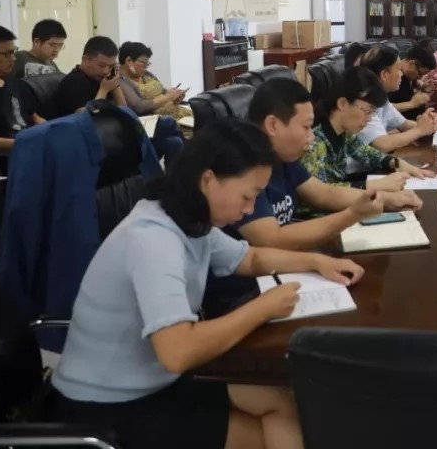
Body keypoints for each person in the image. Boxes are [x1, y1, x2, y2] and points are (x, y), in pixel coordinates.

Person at [50, 118, 365, 449]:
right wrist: (263, 308)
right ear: (208, 179)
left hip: (157, 378)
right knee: (273, 432)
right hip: (109, 405)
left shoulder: (189, 220)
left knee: (283, 401)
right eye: (247, 196)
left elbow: (250, 258)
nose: (248, 210)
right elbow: (178, 351)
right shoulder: (154, 240)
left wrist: (317, 261)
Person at [227, 78, 422, 251]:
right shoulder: (244, 169)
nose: (311, 136)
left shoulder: (284, 159)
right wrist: (352, 214)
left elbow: (325, 193)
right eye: (306, 127)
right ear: (272, 125)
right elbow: (272, 239)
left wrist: (386, 199)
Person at [302, 67, 433, 190]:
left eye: (372, 113)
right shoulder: (315, 142)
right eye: (367, 111)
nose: (369, 119)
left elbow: (369, 154)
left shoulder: (344, 134)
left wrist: (397, 163)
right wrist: (373, 185)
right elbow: (321, 193)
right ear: (343, 103)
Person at [117, 41, 189, 168]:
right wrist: (166, 98)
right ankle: (189, 164)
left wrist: (174, 96)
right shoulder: (120, 81)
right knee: (170, 122)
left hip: (168, 113)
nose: (146, 67)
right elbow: (138, 107)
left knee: (176, 141)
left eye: (148, 63)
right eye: (144, 63)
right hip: (147, 122)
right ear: (129, 61)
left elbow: (163, 91)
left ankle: (175, 177)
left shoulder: (146, 75)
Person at [358, 45, 437, 152]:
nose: (401, 74)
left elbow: (404, 124)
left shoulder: (381, 98)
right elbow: (382, 144)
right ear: (385, 75)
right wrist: (420, 130)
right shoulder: (363, 101)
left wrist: (429, 124)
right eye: (399, 69)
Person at [0, 24, 25, 174]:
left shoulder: (13, 83)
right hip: (1, 158)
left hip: (25, 151)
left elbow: (29, 118)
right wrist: (20, 143)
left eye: (13, 52)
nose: (13, 58)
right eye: (6, 54)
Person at [54, 36, 127, 117]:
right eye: (101, 66)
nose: (106, 71)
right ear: (85, 60)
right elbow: (86, 117)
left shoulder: (103, 79)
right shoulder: (72, 82)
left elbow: (124, 111)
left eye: (111, 66)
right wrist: (103, 90)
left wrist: (115, 84)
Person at [387, 44, 437, 120]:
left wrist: (423, 88)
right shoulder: (392, 78)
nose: (420, 78)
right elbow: (381, 109)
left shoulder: (409, 77)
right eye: (420, 74)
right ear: (411, 64)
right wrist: (411, 104)